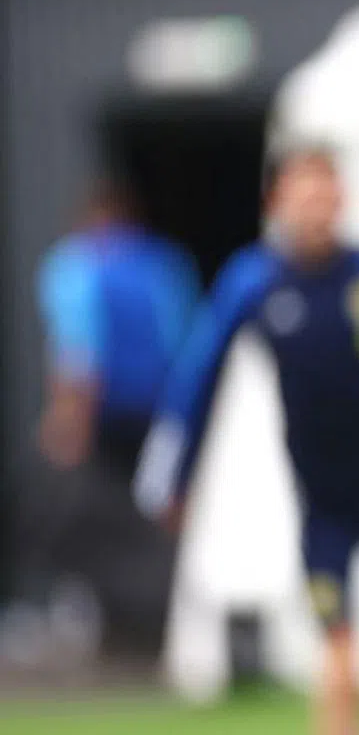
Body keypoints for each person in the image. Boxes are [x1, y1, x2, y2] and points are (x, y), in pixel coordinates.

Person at [133, 143, 359, 735]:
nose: (317, 208)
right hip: (323, 495)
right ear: (276, 202)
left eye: (327, 195)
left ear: (343, 200)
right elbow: (199, 378)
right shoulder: (255, 281)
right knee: (337, 630)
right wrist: (176, 476)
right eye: (304, 195)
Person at [28, 177, 199, 663]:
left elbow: (79, 351)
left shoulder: (75, 264)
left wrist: (68, 421)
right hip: (162, 417)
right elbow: (184, 343)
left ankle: (114, 627)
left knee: (90, 520)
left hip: (104, 420)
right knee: (158, 516)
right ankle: (162, 625)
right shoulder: (166, 263)